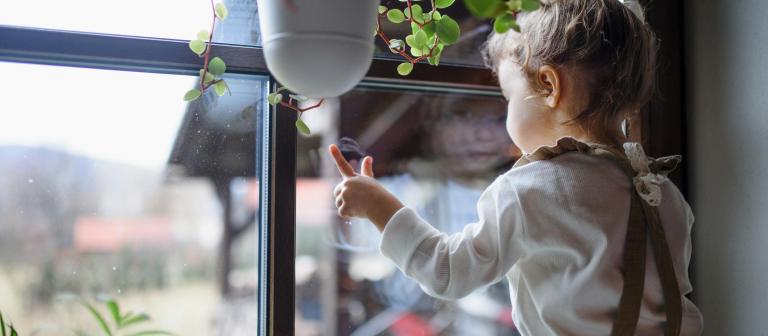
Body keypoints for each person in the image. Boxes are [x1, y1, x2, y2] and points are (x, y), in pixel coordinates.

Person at [327, 1, 704, 335]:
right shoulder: (661, 191)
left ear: (548, 86)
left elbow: (450, 272)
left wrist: (380, 208)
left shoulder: (531, 188)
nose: (505, 114)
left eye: (508, 97)